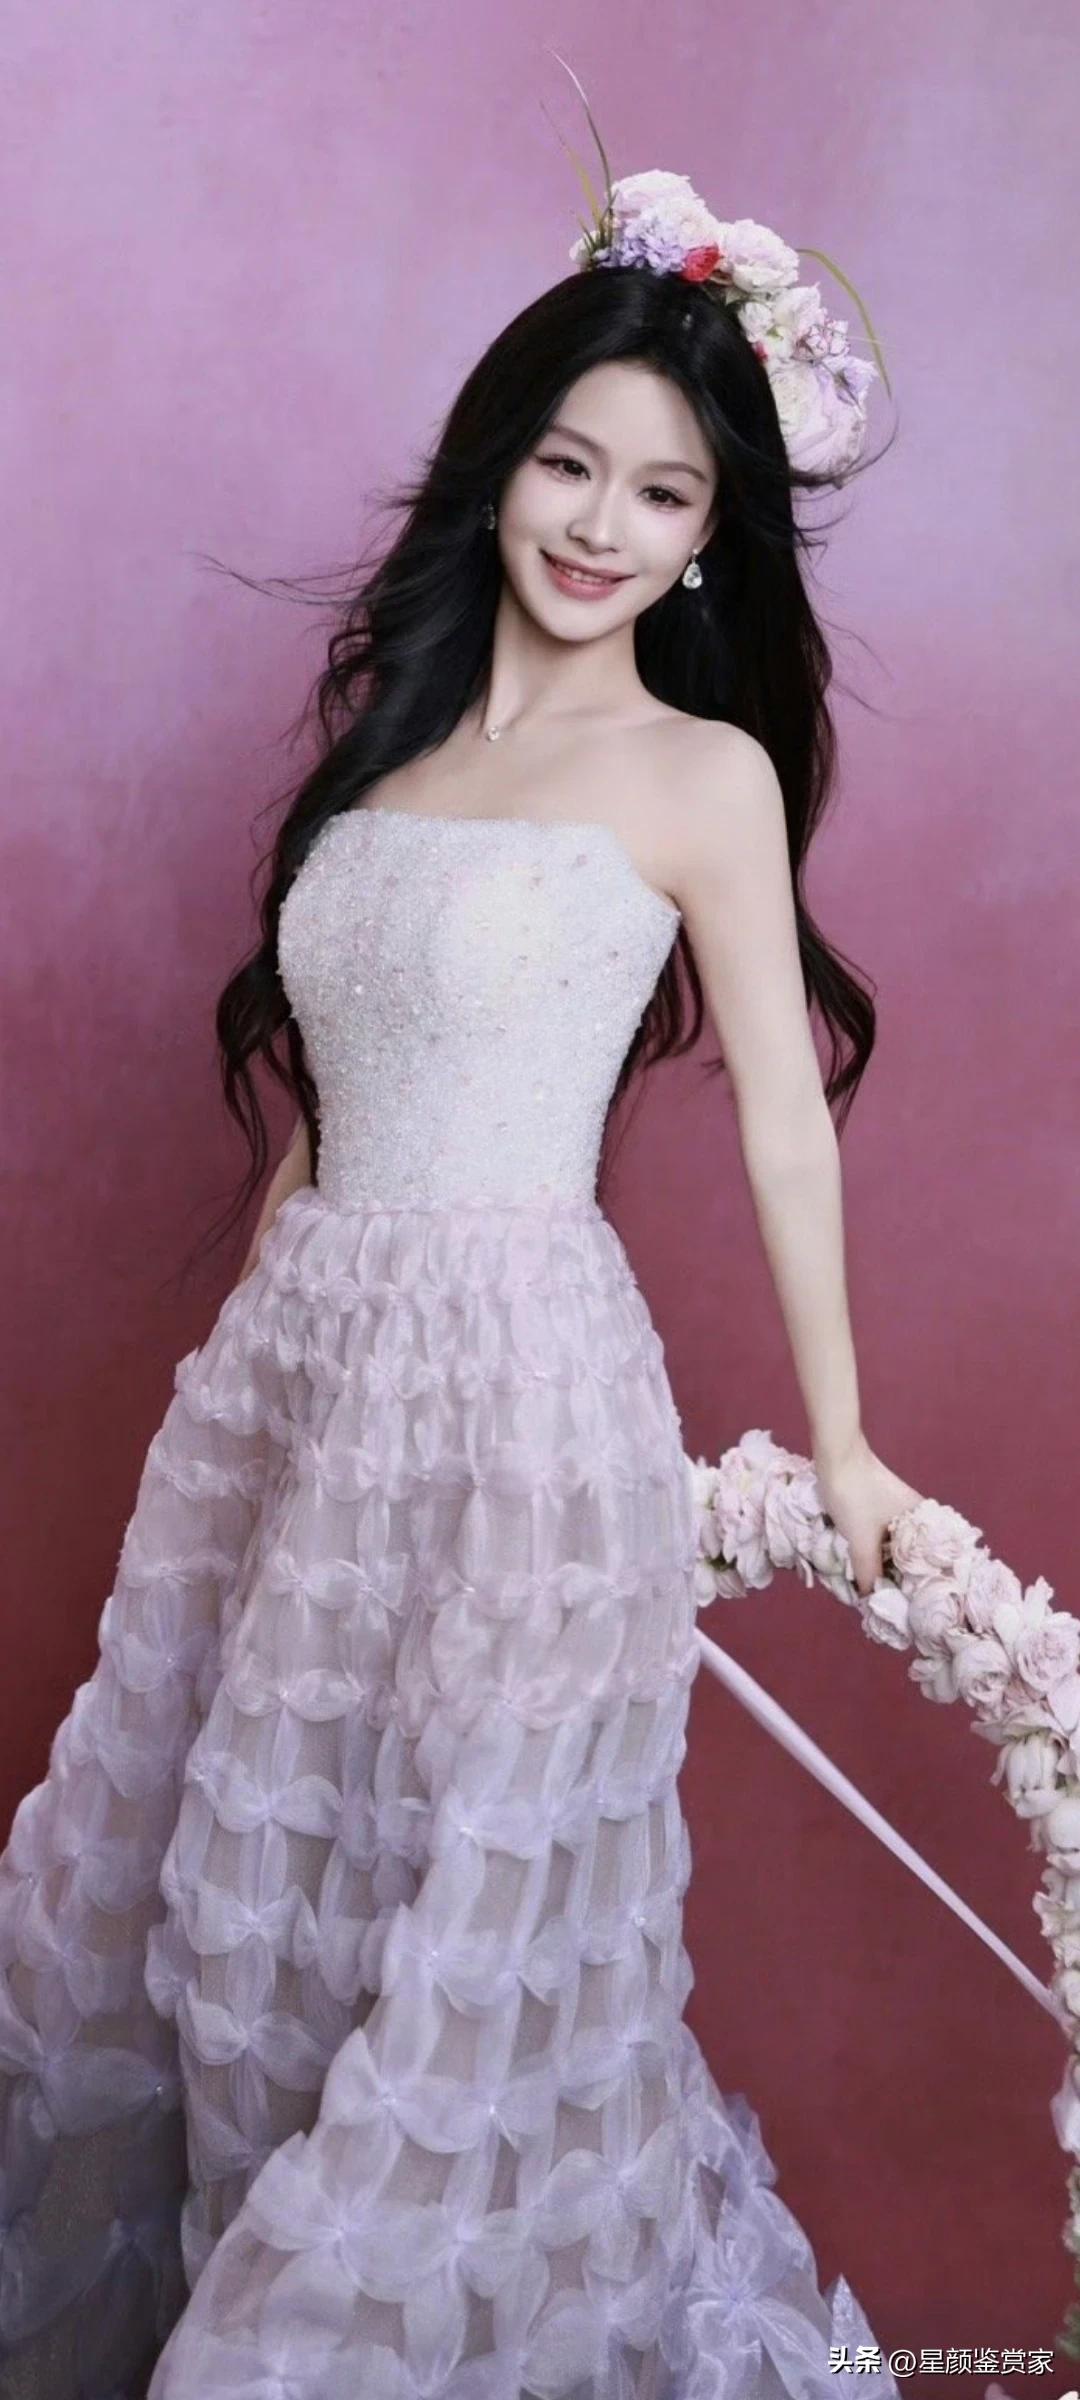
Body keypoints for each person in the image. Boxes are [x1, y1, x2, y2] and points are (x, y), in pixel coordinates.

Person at [0, 156, 921, 2400]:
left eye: (663, 492)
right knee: (257, 1929)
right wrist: (257, 1367)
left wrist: (844, 1439)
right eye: (570, 463)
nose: (602, 523)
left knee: (467, 1934)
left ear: (712, 536)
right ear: (504, 462)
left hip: (524, 1400)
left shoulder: (699, 773)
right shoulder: (392, 752)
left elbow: (784, 1119)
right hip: (304, 1385)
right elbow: (335, 1092)